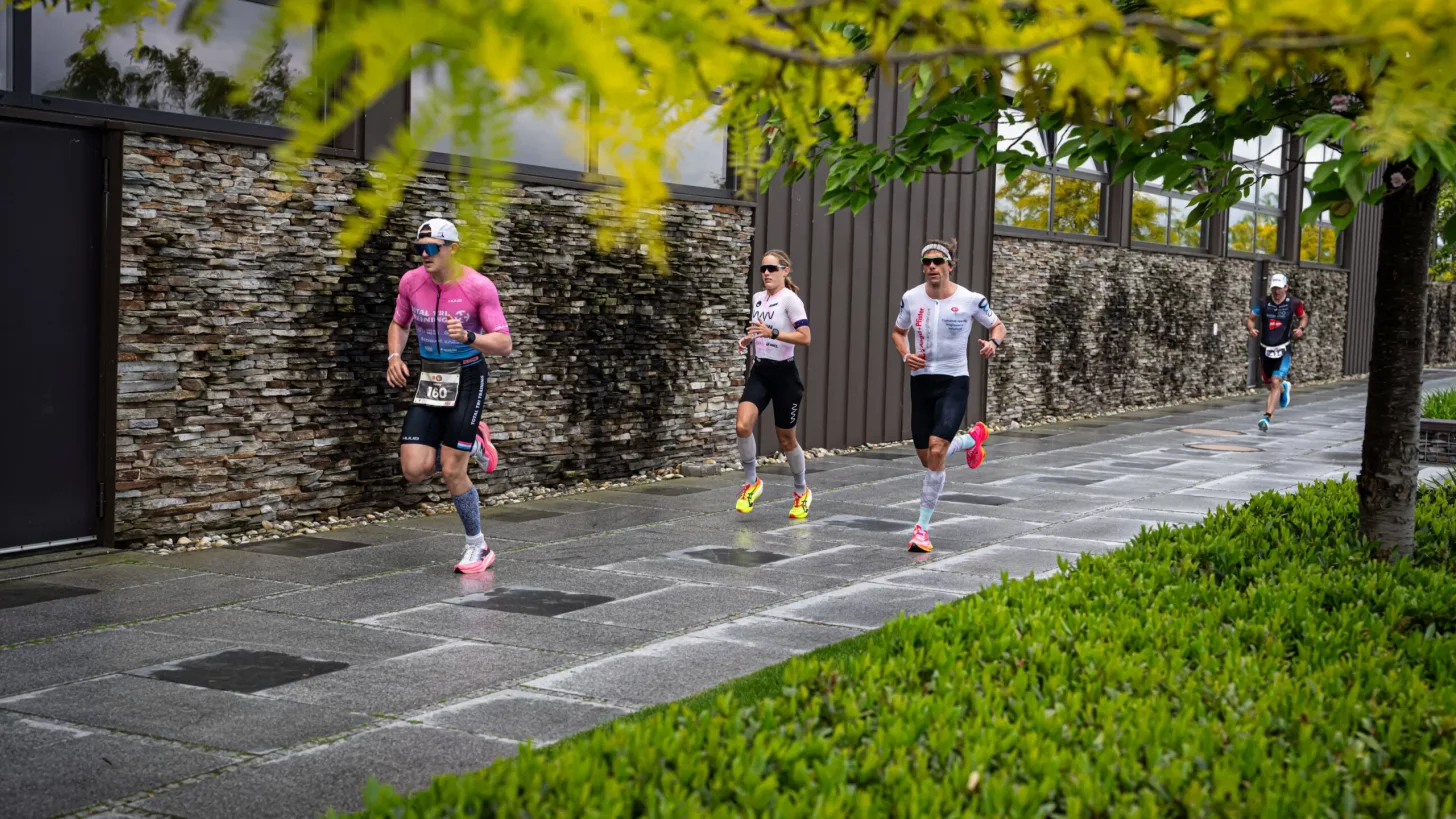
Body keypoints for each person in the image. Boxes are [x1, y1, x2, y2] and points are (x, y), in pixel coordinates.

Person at [386, 218, 512, 573]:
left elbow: (504, 343)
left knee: (450, 468)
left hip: (469, 375)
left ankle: (478, 546)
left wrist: (470, 338)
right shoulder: (411, 282)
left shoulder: (477, 286)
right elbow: (400, 322)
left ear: (452, 249)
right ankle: (473, 440)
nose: (423, 255)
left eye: (431, 248)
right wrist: (394, 356)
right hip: (432, 376)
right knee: (414, 469)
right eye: (418, 248)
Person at [891, 239, 1005, 553]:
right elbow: (898, 332)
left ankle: (922, 530)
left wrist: (993, 343)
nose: (931, 267)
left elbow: (997, 325)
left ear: (949, 266)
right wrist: (905, 355)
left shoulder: (971, 299)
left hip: (955, 380)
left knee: (938, 449)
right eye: (926, 262)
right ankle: (971, 440)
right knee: (928, 457)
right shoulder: (911, 298)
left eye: (937, 262)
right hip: (922, 382)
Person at [734, 250, 814, 519]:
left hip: (785, 376)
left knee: (786, 440)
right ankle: (751, 483)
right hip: (761, 371)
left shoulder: (791, 301)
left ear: (785, 270)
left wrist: (774, 333)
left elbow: (805, 337)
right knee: (742, 425)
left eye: (772, 268)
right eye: (763, 269)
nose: (766, 273)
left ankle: (801, 491)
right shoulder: (758, 299)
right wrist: (749, 340)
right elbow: (759, 330)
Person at [1246, 272, 1307, 432]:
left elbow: (1303, 317)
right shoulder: (1263, 302)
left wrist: (1300, 329)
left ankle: (1267, 418)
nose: (1276, 291)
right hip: (1265, 349)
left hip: (1283, 349)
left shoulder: (1294, 303)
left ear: (1285, 287)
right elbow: (1250, 318)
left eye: (1279, 288)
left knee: (1274, 381)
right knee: (1269, 384)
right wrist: (1251, 329)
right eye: (1274, 288)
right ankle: (1283, 389)